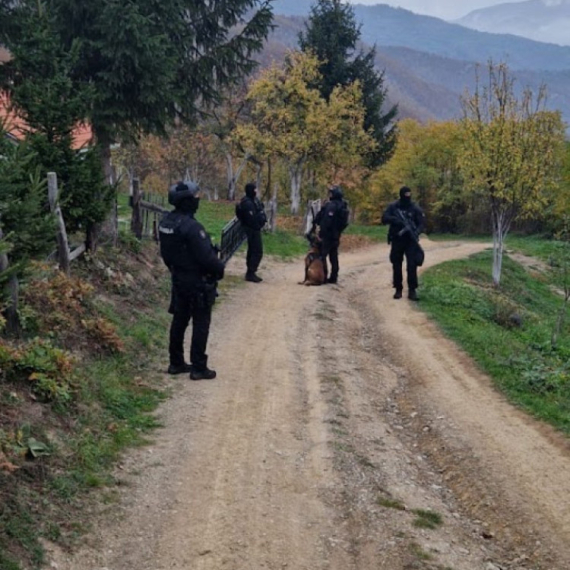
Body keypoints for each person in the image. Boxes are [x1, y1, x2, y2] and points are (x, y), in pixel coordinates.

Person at [158, 181, 225, 380]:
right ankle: (198, 367)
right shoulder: (193, 228)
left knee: (179, 320)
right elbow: (206, 258)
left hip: (178, 279)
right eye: (195, 198)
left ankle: (176, 362)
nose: (198, 201)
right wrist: (219, 268)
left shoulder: (166, 223)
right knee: (200, 323)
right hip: (198, 283)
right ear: (187, 201)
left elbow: (165, 255)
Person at [381, 186, 425, 301]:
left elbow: (421, 224)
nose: (407, 197)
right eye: (405, 194)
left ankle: (412, 290)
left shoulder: (415, 208)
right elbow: (384, 218)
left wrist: (416, 232)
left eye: (408, 194)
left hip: (410, 241)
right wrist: (395, 220)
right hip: (397, 239)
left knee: (412, 265)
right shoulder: (393, 207)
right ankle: (398, 288)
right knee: (396, 264)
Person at [312, 185, 349, 284]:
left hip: (327, 235)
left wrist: (321, 233)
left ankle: (323, 276)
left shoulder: (331, 206)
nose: (329, 195)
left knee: (322, 255)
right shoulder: (343, 205)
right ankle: (334, 277)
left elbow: (326, 221)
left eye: (331, 193)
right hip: (336, 235)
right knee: (334, 256)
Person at [236, 182, 267, 283]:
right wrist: (258, 224)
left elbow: (259, 210)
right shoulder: (247, 203)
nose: (256, 191)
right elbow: (251, 219)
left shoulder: (253, 201)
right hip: (251, 230)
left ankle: (251, 271)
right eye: (255, 189)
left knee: (254, 250)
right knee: (256, 251)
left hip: (254, 229)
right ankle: (250, 272)